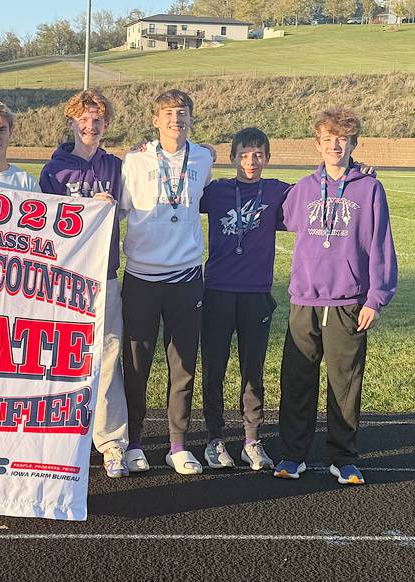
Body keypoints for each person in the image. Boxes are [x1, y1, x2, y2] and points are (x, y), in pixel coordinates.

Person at [273, 107, 397, 485]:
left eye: (342, 139)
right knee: (297, 381)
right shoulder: (304, 188)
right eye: (327, 139)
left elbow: (381, 245)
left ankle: (343, 458)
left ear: (354, 143)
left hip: (347, 301)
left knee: (345, 384)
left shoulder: (370, 189)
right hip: (305, 300)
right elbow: (275, 213)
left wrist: (376, 298)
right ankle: (293, 455)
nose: (335, 146)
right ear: (318, 144)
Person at [119, 89, 213, 475]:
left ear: (191, 117)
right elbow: (116, 211)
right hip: (141, 277)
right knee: (136, 365)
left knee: (183, 365)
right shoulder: (134, 160)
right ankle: (133, 442)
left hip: (186, 277)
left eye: (183, 112)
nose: (177, 118)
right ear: (155, 120)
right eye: (169, 113)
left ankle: (177, 445)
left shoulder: (204, 158)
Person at [39, 89, 129, 478]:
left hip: (104, 274)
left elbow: (129, 207)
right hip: (64, 280)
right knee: (61, 359)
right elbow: (43, 225)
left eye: (97, 120)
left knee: (108, 357)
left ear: (106, 125)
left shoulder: (116, 167)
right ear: (71, 123)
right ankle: (60, 438)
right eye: (83, 119)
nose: (90, 126)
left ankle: (111, 443)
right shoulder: (53, 171)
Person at [199, 127, 288, 471]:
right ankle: (214, 438)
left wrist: (356, 169)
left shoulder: (277, 190)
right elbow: (178, 192)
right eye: (245, 154)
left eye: (258, 154)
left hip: (256, 294)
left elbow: (316, 192)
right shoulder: (217, 192)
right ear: (233, 157)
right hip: (218, 292)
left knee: (253, 370)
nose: (251, 161)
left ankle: (252, 439)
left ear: (267, 157)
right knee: (214, 369)